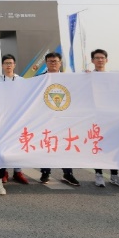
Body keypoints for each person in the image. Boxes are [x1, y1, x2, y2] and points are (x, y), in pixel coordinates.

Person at [89, 49, 119, 188]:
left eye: (102, 58)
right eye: (97, 58)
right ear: (92, 61)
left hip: (112, 119)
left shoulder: (115, 77)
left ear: (106, 60)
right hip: (96, 118)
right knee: (97, 146)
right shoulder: (88, 76)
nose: (100, 60)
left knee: (112, 146)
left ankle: (114, 175)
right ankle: (98, 174)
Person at [39, 52, 80, 186]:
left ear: (60, 63)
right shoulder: (39, 79)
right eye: (50, 61)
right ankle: (45, 172)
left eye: (55, 61)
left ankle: (68, 173)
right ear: (46, 63)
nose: (53, 63)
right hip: (46, 118)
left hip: (64, 118)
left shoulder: (68, 79)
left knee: (65, 146)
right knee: (46, 145)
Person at [0, 54, 29, 185]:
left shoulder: (21, 80)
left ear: (14, 65)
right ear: (2, 65)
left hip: (17, 118)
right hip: (3, 118)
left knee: (18, 144)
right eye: (6, 63)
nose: (8, 65)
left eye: (10, 63)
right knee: (4, 145)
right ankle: (4, 172)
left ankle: (18, 171)